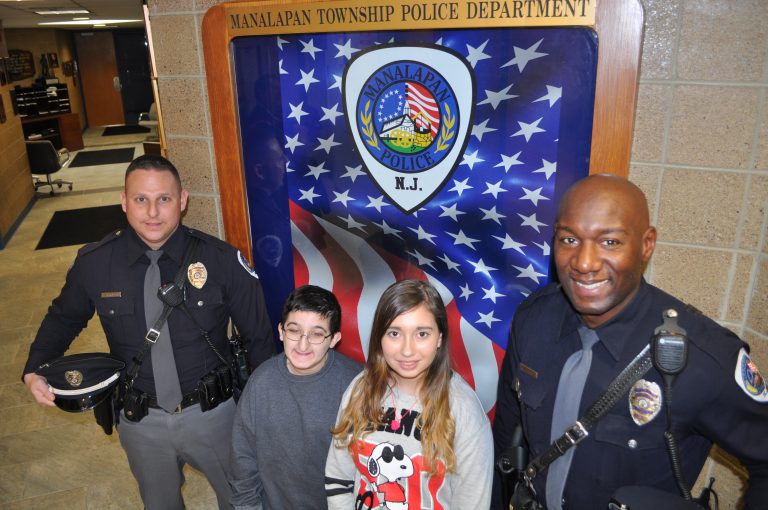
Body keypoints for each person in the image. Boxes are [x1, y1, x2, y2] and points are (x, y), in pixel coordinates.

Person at [493, 174, 768, 509]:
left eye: (610, 242)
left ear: (647, 244)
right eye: (569, 239)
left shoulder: (702, 358)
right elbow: (506, 435)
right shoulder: (534, 320)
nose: (584, 263)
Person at [22, 154, 276, 510]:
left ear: (182, 200)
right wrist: (36, 366)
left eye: (164, 199)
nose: (152, 212)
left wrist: (265, 412)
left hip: (216, 418)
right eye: (141, 199)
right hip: (141, 422)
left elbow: (259, 339)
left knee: (243, 501)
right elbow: (64, 317)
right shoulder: (95, 263)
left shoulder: (221, 260)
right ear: (124, 201)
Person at [326, 279, 494, 509]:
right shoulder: (360, 390)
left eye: (422, 334)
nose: (407, 350)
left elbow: (472, 503)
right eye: (394, 333)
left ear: (440, 338)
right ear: (379, 337)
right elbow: (338, 477)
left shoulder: (463, 409)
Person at [229, 284, 362, 509]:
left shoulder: (358, 385)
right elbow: (243, 459)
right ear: (281, 331)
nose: (302, 344)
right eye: (294, 330)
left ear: (334, 339)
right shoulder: (260, 381)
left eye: (317, 334)